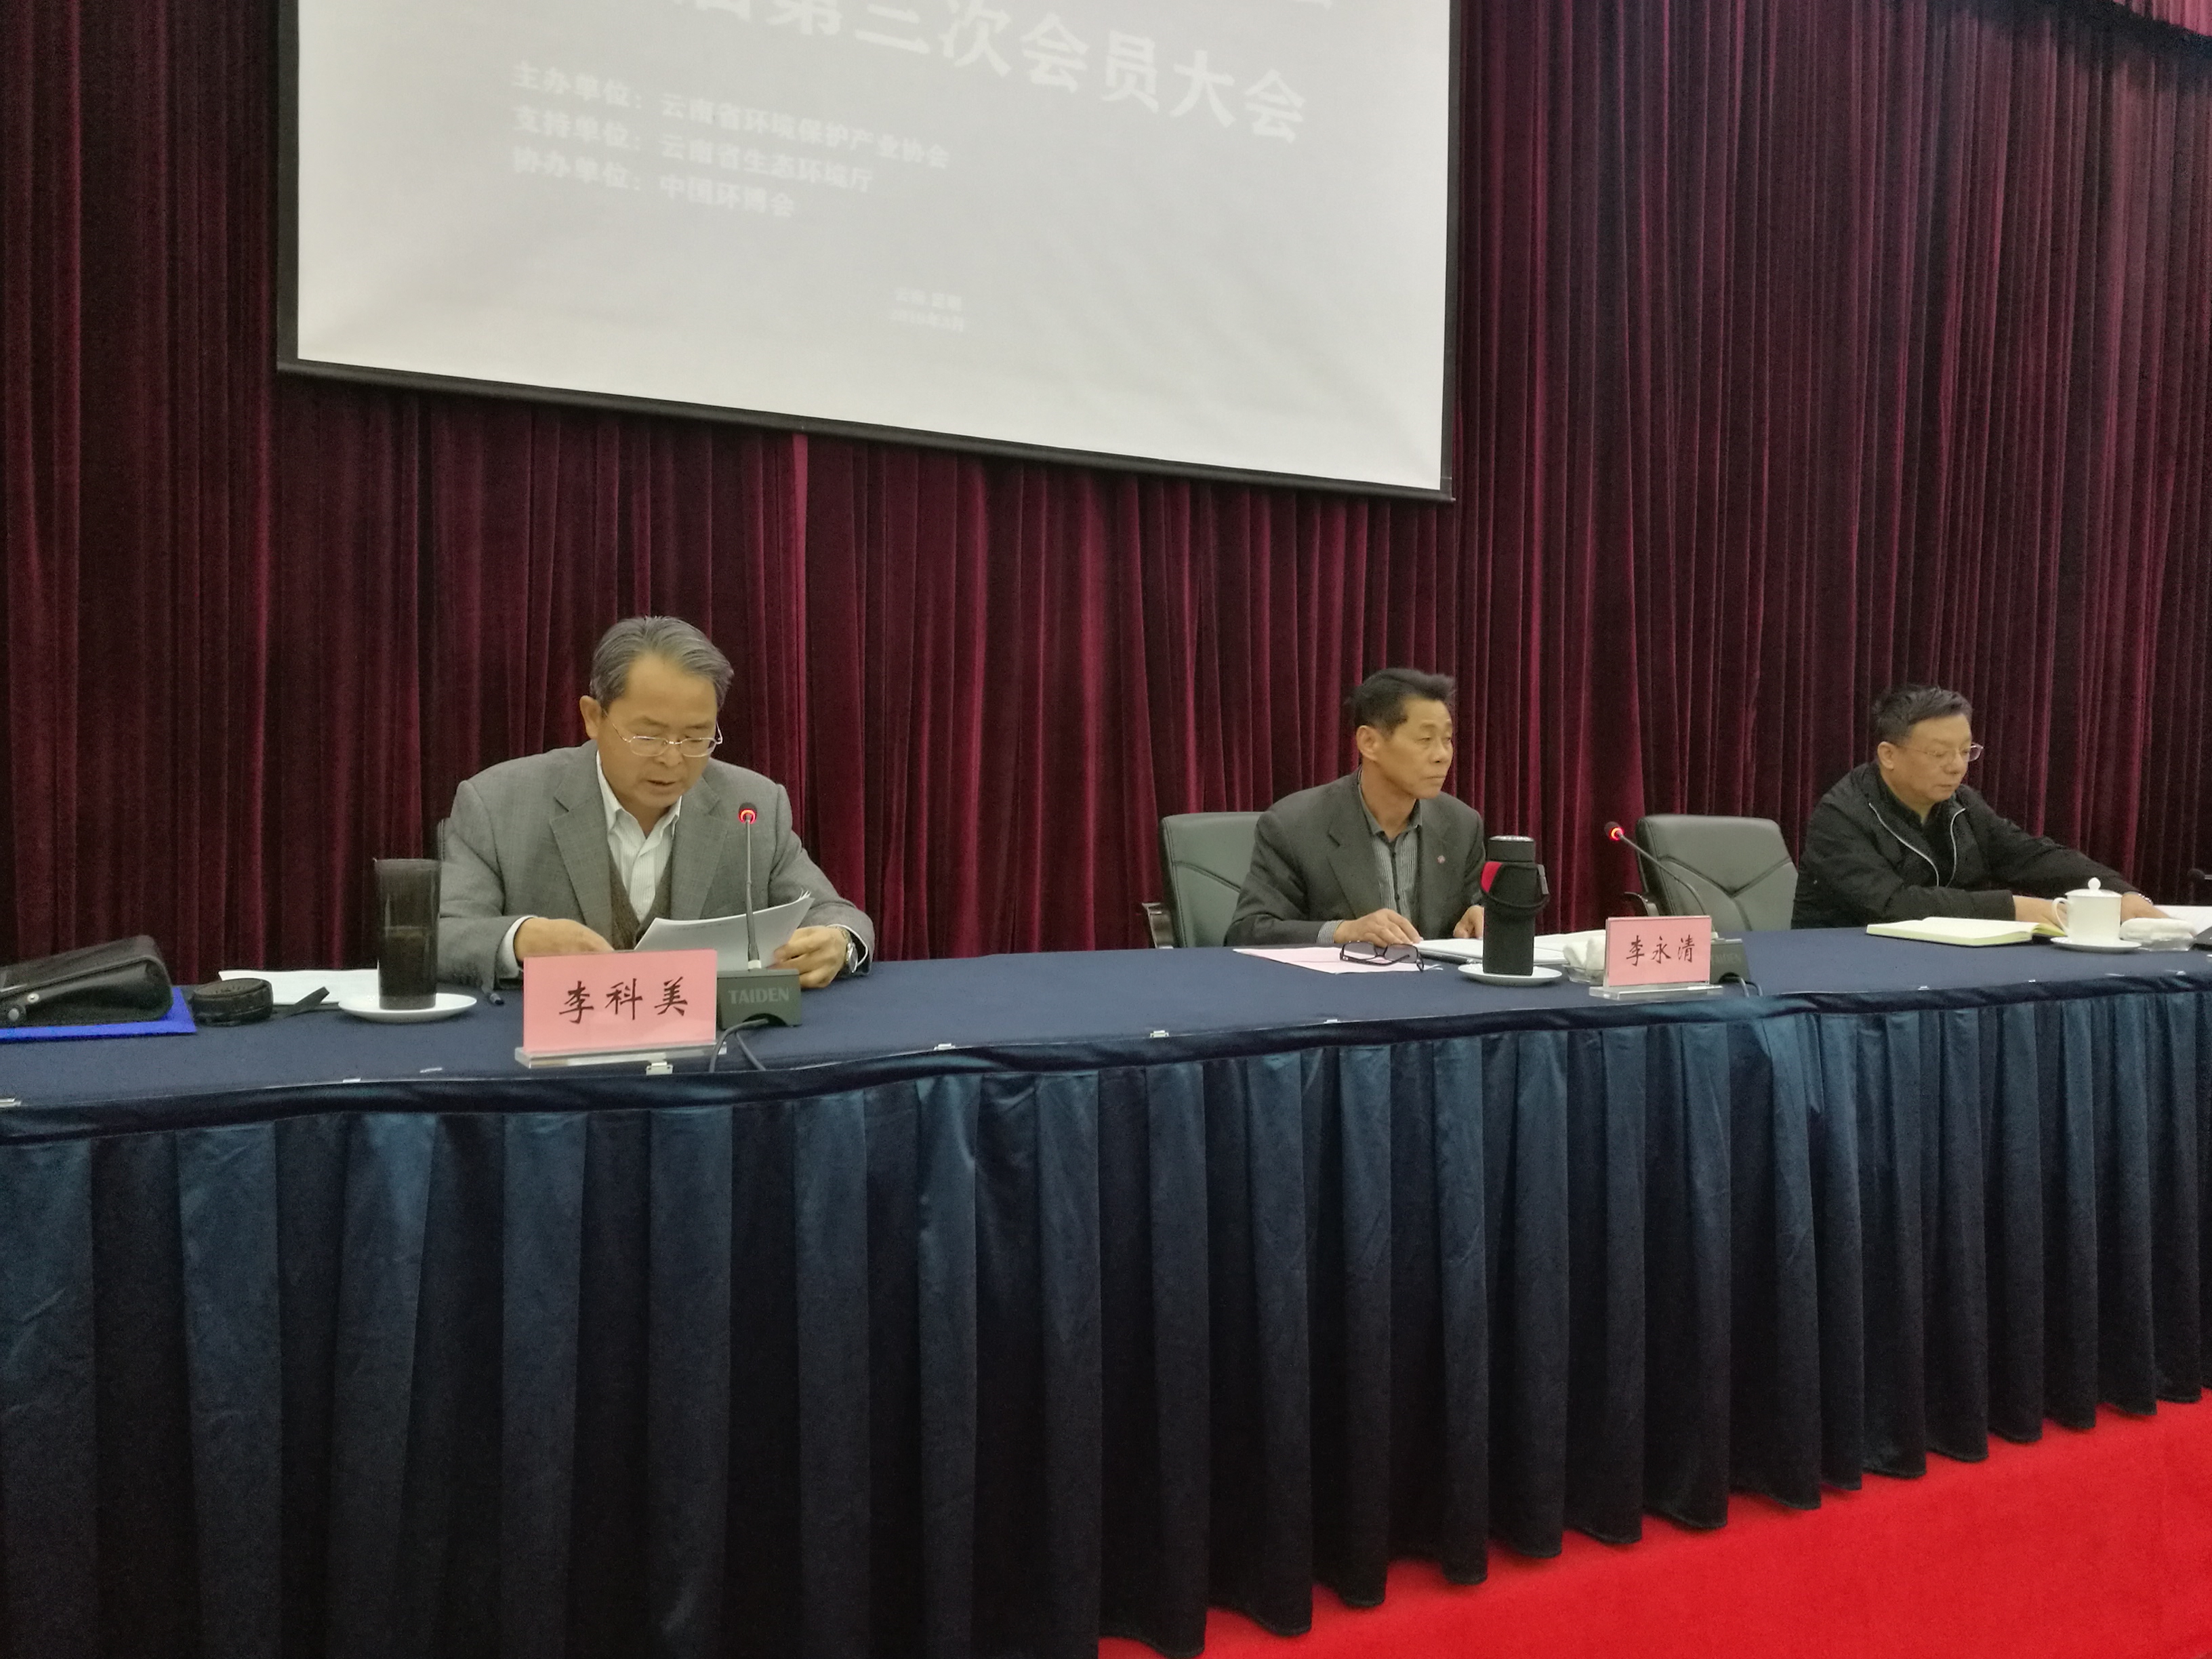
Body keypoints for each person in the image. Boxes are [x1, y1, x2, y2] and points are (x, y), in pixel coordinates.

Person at [437, 615, 874, 987]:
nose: (672, 759)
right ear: (593, 717)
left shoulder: (754, 807)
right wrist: (519, 939)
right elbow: (442, 935)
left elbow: (837, 914)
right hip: (550, 1048)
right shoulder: (498, 804)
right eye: (648, 736)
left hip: (710, 1049)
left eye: (696, 737)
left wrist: (838, 942)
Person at [1792, 682, 2165, 929]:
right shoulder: (1841, 816)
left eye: (1964, 751)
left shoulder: (1962, 803)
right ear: (1888, 755)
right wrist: (2015, 909)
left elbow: (2031, 856)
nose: (1956, 766)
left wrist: (2118, 893)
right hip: (1843, 973)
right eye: (1939, 753)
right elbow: (1892, 905)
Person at [1226, 668, 1487, 948]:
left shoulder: (1462, 825)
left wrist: (1481, 917)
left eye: (1447, 740)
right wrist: (1344, 931)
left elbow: (1478, 907)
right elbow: (1249, 931)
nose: (1442, 755)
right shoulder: (1294, 826)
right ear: (1369, 742)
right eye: (1425, 740)